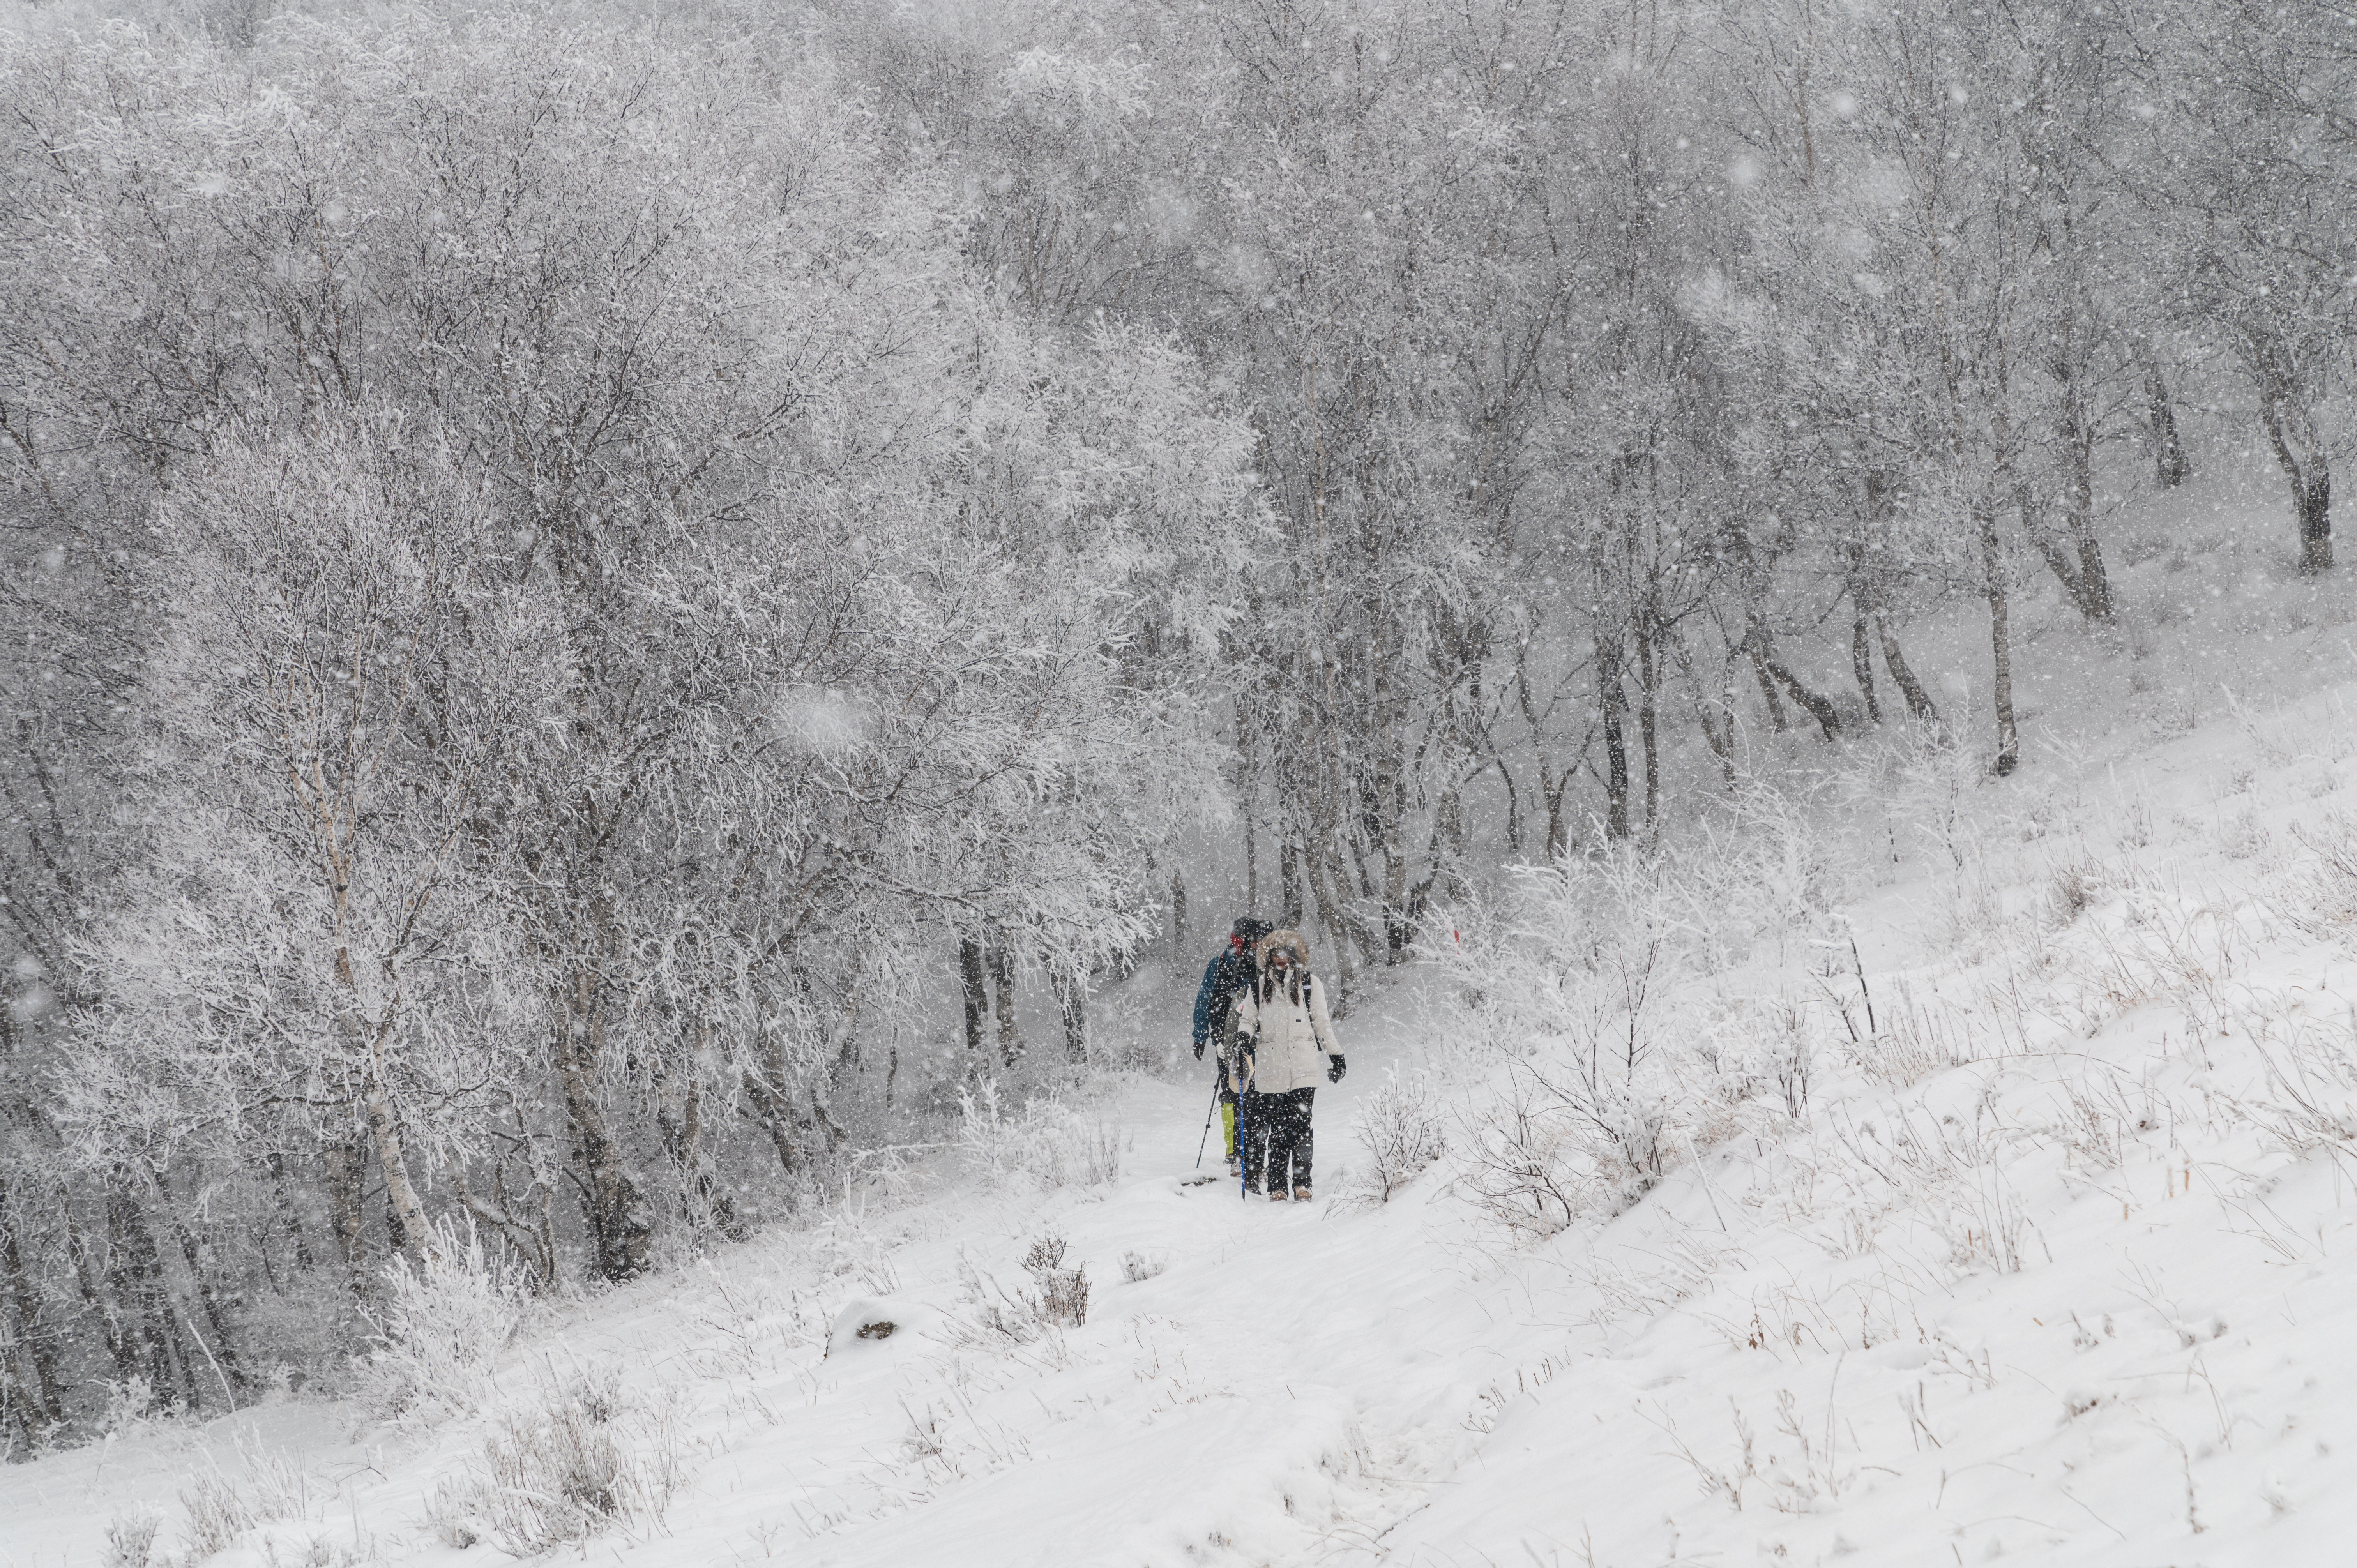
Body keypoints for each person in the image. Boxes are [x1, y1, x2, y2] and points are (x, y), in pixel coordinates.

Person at [1233, 929, 1345, 1202]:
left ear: (1294, 956)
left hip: (1304, 1066)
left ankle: (1302, 1184)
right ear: (1269, 957)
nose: (1281, 959)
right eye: (1275, 954)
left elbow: (1322, 1022)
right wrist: (1244, 1038)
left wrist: (1336, 1055)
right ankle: (1278, 1186)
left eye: (1285, 954)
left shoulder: (1309, 984)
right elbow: (1248, 1019)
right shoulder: (1259, 986)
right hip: (1272, 1069)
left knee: (1302, 1128)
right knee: (1280, 1130)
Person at [1192, 916, 1271, 1176]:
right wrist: (1201, 1036)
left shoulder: (1223, 964)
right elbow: (1206, 999)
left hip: (1232, 1041)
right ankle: (1241, 1152)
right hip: (1239, 1042)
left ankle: (1240, 1152)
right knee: (1243, 1095)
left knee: (1237, 1095)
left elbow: (1205, 1001)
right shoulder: (1230, 965)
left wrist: (1202, 1036)